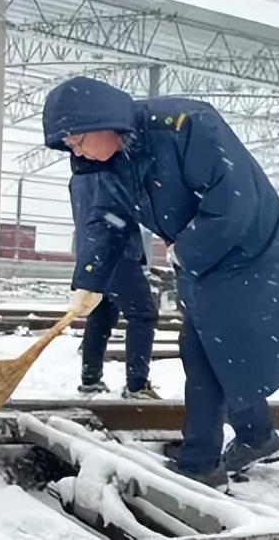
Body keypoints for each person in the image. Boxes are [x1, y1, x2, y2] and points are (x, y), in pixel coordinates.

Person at [44, 76, 279, 487]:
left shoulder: (184, 124)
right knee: (209, 349)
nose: (77, 151)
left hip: (247, 247)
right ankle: (255, 437)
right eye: (70, 147)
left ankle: (203, 460)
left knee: (215, 347)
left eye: (77, 141)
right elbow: (106, 224)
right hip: (198, 256)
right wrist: (89, 281)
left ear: (102, 121)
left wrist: (184, 250)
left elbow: (234, 201)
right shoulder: (107, 165)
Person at [69, 156, 158, 399]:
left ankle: (90, 378)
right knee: (144, 314)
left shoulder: (77, 179)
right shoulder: (108, 175)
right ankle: (137, 384)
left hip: (89, 252)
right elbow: (114, 215)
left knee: (102, 313)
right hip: (116, 251)